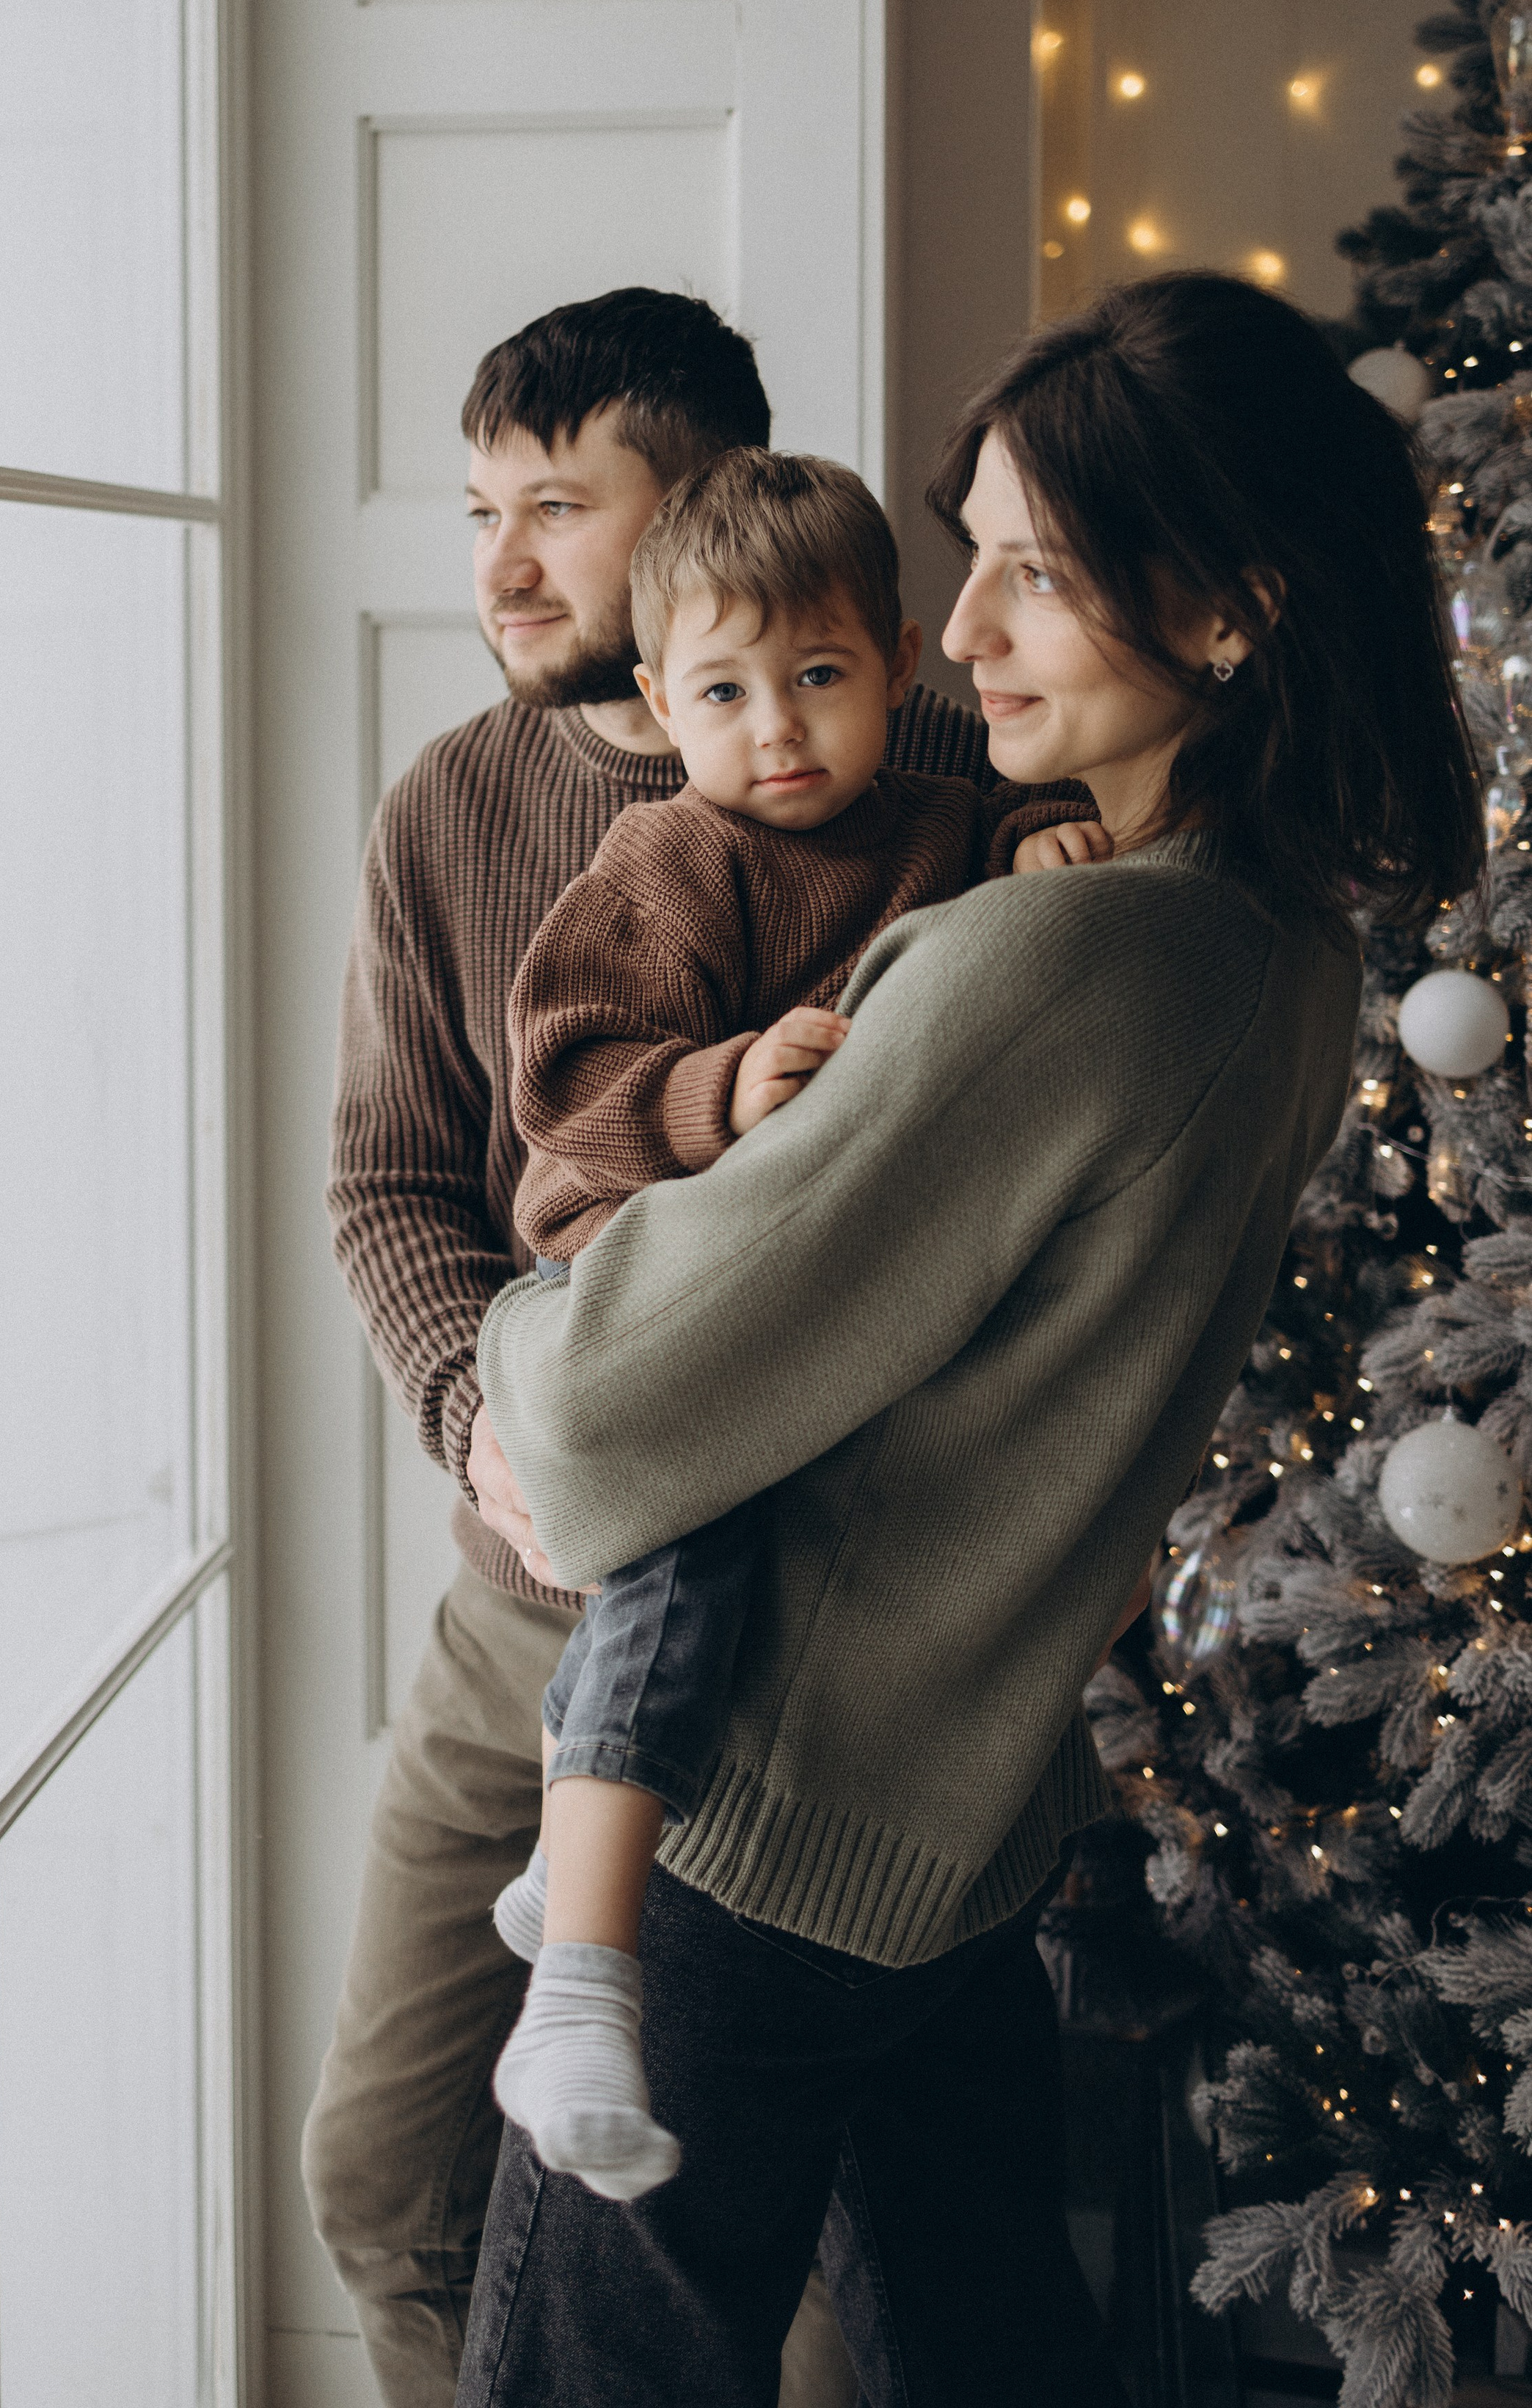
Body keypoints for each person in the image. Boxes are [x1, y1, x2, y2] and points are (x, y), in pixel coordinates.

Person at [454, 271, 1484, 2408]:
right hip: (965, 1821)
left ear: (1224, 610)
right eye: (981, 554)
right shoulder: (1290, 952)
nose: (974, 627)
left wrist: (533, 1340)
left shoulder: (1056, 965)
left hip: (750, 1830)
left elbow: (610, 1405)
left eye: (1038, 571)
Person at [310, 286, 1062, 2407]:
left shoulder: (935, 769)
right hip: (519, 1593)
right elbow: (388, 1187)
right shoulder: (451, 808)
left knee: (785, 2261)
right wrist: (487, 1428)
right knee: (383, 2181)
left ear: (701, 507)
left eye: (558, 505)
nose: (501, 563)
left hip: (824, 1638)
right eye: (483, 510)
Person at [486, 448, 1104, 2203]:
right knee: (693, 1542)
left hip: (796, 1294)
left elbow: (991, 874)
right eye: (723, 691)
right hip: (629, 1268)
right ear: (655, 699)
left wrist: (1035, 837)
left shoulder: (934, 820)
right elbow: (562, 1081)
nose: (776, 727)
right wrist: (716, 1085)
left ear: (898, 661)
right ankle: (583, 1980)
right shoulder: (666, 855)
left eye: (817, 677)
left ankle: (573, 1837)